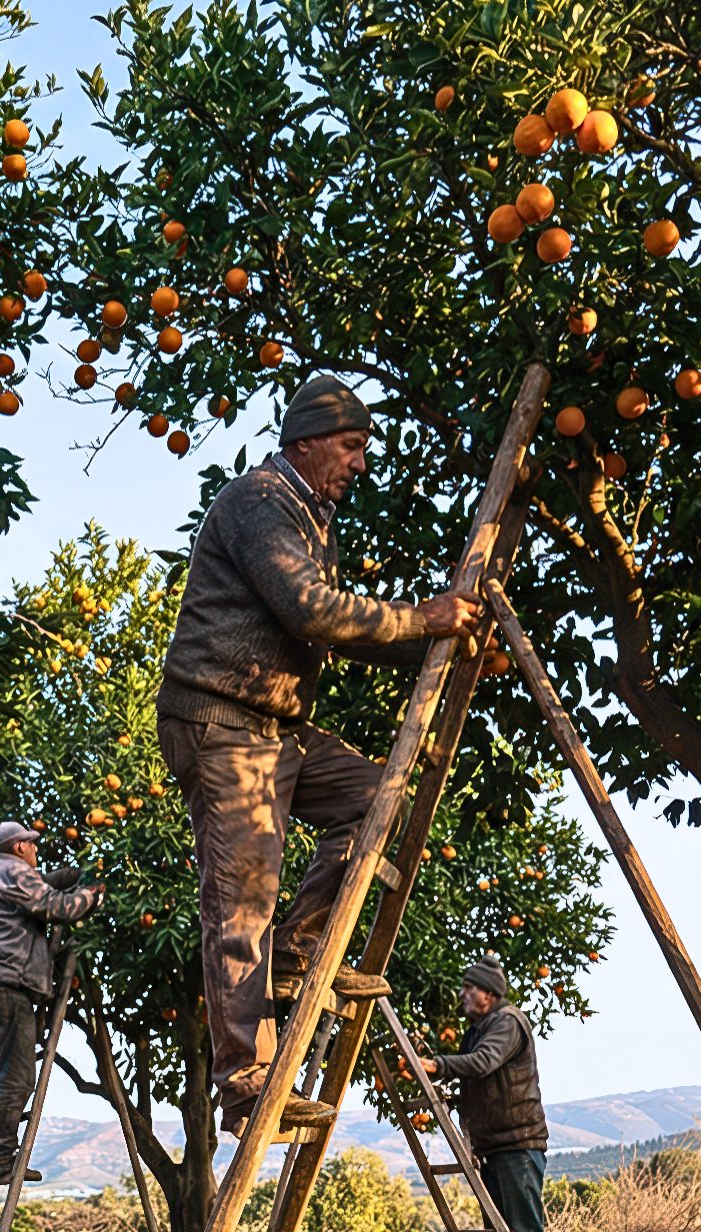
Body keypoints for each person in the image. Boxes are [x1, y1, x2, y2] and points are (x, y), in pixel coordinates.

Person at [157, 373, 481, 1131]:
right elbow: (312, 611)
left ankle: (296, 956)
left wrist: (442, 638)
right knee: (241, 901)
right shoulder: (261, 502)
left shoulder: (308, 515)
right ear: (305, 439)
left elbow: (331, 629)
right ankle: (248, 1084)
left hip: (277, 726)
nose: (359, 463)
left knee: (377, 798)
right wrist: (424, 617)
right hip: (223, 719)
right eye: (350, 445)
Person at [0, 821, 102, 1182]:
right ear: (20, 847)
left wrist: (72, 874)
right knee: (19, 1077)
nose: (36, 851)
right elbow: (56, 907)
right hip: (5, 985)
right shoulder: (13, 871)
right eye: (32, 845)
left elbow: (42, 888)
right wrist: (95, 892)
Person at [421, 956, 554, 1232]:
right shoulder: (479, 1029)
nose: (463, 994)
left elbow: (481, 1063)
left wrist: (439, 1065)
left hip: (517, 1146)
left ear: (489, 993)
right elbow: (475, 1080)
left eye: (469, 988)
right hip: (494, 1148)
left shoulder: (507, 1023)